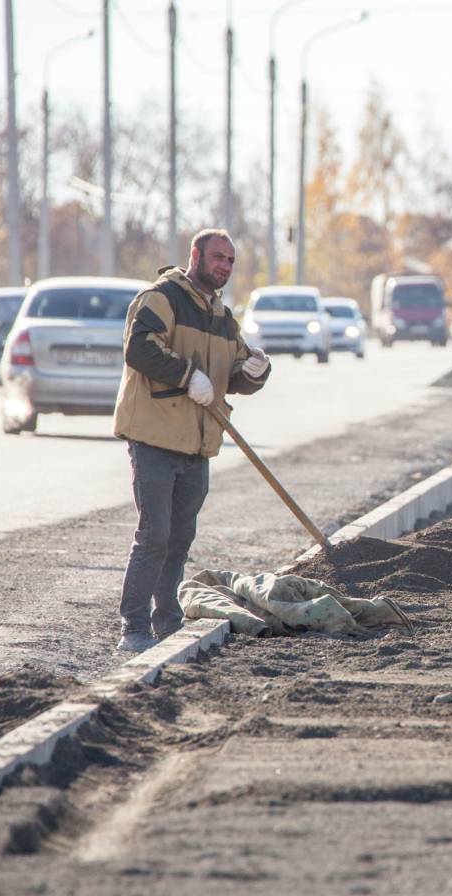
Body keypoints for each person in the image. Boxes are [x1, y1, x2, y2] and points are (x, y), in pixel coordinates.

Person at [112, 229, 271, 652]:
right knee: (155, 534)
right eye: (218, 257)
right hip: (155, 437)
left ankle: (168, 621)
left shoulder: (222, 316)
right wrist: (186, 375)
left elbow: (234, 373)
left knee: (181, 536)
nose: (224, 266)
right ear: (195, 255)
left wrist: (255, 373)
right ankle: (133, 627)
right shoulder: (162, 297)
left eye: (231, 261)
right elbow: (139, 350)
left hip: (197, 445)